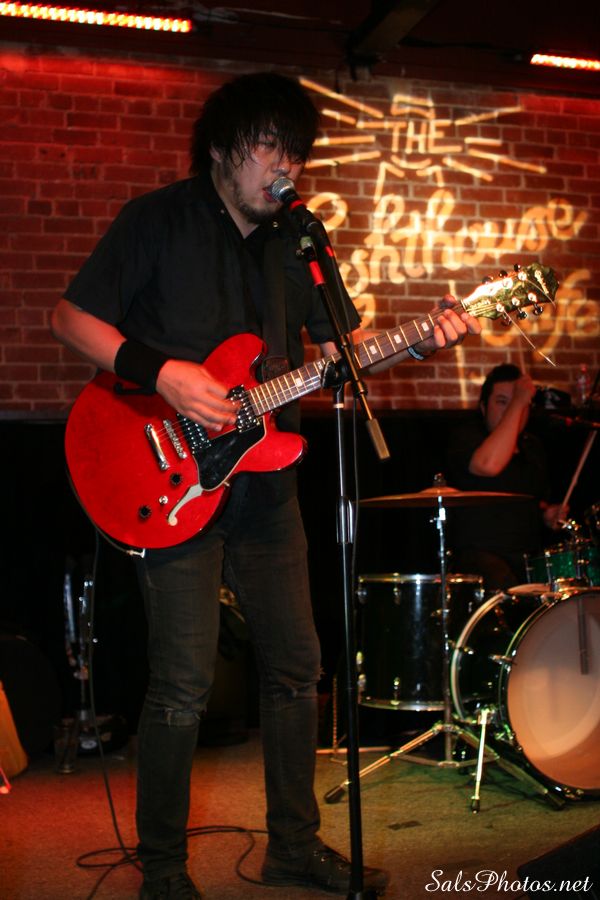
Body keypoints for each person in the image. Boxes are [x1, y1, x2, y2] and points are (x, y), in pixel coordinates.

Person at [50, 71, 480, 899]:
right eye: (267, 147)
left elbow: (338, 355)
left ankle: (293, 845)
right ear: (222, 148)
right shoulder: (157, 220)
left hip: (263, 482)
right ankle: (163, 871)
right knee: (183, 682)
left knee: (297, 665)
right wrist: (164, 374)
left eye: (295, 152)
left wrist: (421, 339)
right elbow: (69, 319)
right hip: (168, 473)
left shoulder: (297, 244)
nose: (284, 166)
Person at [445, 363, 566, 592]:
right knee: (502, 581)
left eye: (518, 403)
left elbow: (536, 501)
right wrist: (519, 401)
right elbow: (488, 465)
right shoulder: (467, 437)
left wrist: (547, 515)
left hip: (529, 559)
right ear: (483, 407)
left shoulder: (533, 447)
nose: (511, 410)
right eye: (502, 402)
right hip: (480, 560)